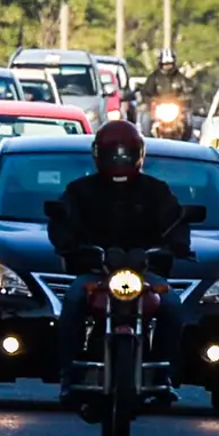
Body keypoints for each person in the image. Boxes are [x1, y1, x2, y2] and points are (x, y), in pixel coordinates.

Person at [47, 120, 189, 404]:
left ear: (139, 154)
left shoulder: (156, 191)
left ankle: (164, 375)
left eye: (126, 154)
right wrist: (77, 249)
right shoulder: (80, 191)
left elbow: (175, 222)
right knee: (74, 301)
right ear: (98, 154)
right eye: (113, 154)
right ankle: (69, 373)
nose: (120, 160)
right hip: (96, 273)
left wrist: (173, 247)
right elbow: (62, 222)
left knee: (172, 306)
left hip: (144, 275)